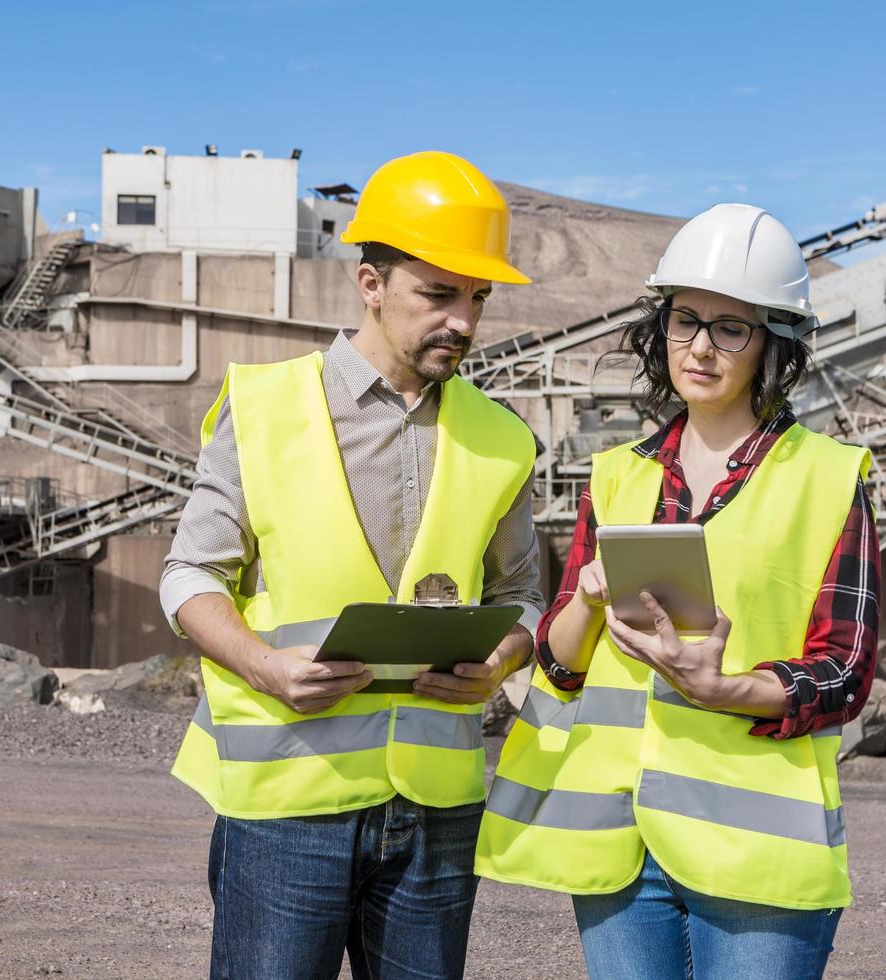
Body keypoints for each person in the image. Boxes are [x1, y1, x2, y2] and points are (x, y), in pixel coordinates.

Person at [162, 150, 546, 980]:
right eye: (438, 294)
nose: (465, 322)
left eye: (478, 297)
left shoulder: (504, 437)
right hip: (288, 805)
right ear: (369, 282)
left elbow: (524, 598)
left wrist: (499, 665)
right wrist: (265, 667)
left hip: (438, 808)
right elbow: (190, 576)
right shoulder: (264, 409)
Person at [474, 204, 881, 980]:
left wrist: (730, 687)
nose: (700, 345)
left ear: (773, 344)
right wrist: (587, 605)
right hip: (620, 844)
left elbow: (844, 671)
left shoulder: (829, 478)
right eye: (685, 320)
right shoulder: (617, 474)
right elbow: (562, 668)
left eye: (731, 328)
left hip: (754, 853)